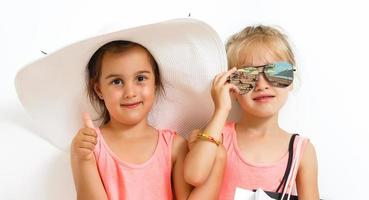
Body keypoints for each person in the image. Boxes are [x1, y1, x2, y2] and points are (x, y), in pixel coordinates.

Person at [184, 25, 319, 200]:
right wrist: (221, 109)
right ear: (231, 87)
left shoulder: (301, 150)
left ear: (291, 79)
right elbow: (194, 176)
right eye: (247, 76)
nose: (262, 85)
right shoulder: (218, 137)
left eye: (277, 72)